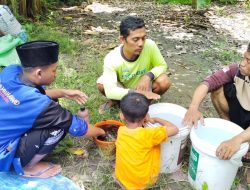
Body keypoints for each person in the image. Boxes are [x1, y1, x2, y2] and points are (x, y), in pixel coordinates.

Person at [0, 41, 105, 178]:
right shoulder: (40, 105)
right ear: (39, 73)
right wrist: (102, 132)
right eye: (54, 70)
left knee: (52, 107)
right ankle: (28, 167)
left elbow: (26, 98)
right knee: (59, 126)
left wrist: (63, 92)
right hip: (2, 155)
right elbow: (77, 128)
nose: (55, 74)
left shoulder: (10, 72)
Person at [182, 43, 250, 161]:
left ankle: (243, 140)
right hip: (242, 111)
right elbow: (209, 82)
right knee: (217, 87)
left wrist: (237, 140)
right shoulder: (236, 70)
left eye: (248, 61)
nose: (243, 63)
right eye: (244, 57)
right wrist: (193, 107)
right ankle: (231, 130)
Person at [97, 16, 171, 114]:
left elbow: (162, 65)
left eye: (143, 38)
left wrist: (148, 76)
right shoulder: (111, 59)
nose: (141, 44)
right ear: (123, 39)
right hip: (124, 88)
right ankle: (116, 101)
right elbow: (110, 91)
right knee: (102, 84)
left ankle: (145, 103)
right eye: (135, 39)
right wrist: (136, 93)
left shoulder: (150, 46)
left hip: (144, 87)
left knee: (164, 81)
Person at [115, 92, 178, 189]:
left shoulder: (121, 131)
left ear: (121, 116)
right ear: (146, 116)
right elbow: (175, 129)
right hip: (143, 183)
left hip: (122, 177)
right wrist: (157, 119)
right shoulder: (150, 134)